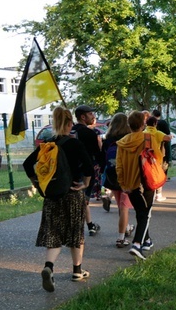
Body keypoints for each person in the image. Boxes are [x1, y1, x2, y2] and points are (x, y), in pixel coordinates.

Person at [23, 106, 94, 292]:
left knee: (54, 233)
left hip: (52, 194)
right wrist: (85, 184)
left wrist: (37, 183)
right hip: (72, 193)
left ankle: (49, 266)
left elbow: (27, 164)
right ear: (70, 123)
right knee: (75, 233)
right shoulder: (75, 143)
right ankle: (77, 271)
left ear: (54, 123)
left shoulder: (47, 144)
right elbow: (89, 166)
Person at [116, 110, 156, 259]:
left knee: (140, 212)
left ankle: (147, 240)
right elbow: (157, 156)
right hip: (146, 181)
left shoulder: (122, 142)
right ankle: (137, 244)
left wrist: (122, 183)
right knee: (145, 213)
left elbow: (118, 166)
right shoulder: (147, 138)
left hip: (130, 183)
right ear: (143, 124)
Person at [101, 113, 135, 248]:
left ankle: (126, 228)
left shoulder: (108, 140)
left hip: (112, 175)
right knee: (124, 206)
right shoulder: (129, 139)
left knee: (121, 204)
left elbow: (103, 158)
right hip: (127, 176)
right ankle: (121, 238)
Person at [72, 105, 104, 236]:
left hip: (72, 171)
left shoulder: (71, 131)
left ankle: (90, 225)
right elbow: (98, 154)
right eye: (91, 114)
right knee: (83, 199)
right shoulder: (90, 133)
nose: (93, 117)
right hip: (86, 171)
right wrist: (101, 146)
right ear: (83, 117)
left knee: (80, 199)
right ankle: (78, 230)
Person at [151, 109, 171, 201]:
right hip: (162, 152)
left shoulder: (146, 130)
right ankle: (159, 193)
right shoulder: (163, 124)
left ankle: (153, 192)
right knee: (161, 172)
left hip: (150, 153)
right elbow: (168, 137)